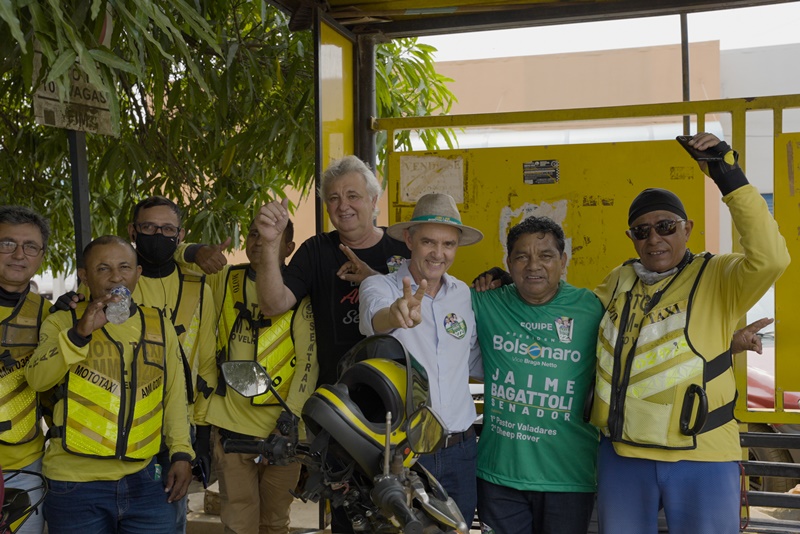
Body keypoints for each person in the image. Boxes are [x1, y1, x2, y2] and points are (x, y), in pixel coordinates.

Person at [588, 132, 791, 533]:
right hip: (622, 455)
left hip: (703, 455)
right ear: (631, 238)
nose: (654, 238)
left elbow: (771, 258)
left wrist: (728, 176)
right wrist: (505, 283)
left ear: (687, 228)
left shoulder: (718, 275)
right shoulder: (619, 279)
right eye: (641, 231)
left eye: (665, 226)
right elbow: (575, 318)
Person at [25, 235, 194, 534]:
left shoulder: (159, 325)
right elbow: (37, 380)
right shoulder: (63, 322)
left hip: (145, 479)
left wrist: (181, 453)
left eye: (124, 267)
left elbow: (174, 396)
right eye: (103, 268)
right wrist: (78, 335)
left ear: (138, 273)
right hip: (75, 484)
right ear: (84, 276)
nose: (116, 276)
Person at [180, 219, 318, 534]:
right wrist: (196, 251)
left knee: (274, 523)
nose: (260, 241)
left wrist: (290, 418)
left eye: (272, 238)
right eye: (254, 234)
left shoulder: (298, 293)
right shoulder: (226, 279)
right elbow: (172, 263)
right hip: (232, 429)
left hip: (284, 434)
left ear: (288, 249)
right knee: (238, 523)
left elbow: (309, 363)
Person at [470, 216, 603, 534]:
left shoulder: (593, 308)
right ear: (508, 262)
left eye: (545, 255)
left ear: (563, 261)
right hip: (499, 476)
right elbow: (432, 306)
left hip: (569, 477)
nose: (534, 266)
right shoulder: (484, 302)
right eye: (522, 256)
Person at [358, 193, 484, 523]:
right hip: (406, 453)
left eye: (448, 244)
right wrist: (396, 315)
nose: (438, 253)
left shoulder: (463, 294)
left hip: (461, 448)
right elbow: (376, 319)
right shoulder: (380, 287)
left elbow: (472, 360)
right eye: (429, 241)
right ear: (409, 239)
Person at [254, 156, 409, 388]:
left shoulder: (403, 246)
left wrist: (372, 280)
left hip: (398, 390)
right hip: (336, 394)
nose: (343, 206)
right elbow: (272, 304)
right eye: (334, 198)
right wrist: (269, 243)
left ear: (373, 200)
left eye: (352, 196)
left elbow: (427, 309)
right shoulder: (315, 250)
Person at [0, 206, 50, 534]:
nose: (19, 254)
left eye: (29, 246)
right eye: (7, 244)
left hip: (23, 467)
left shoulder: (51, 315)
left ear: (41, 256)